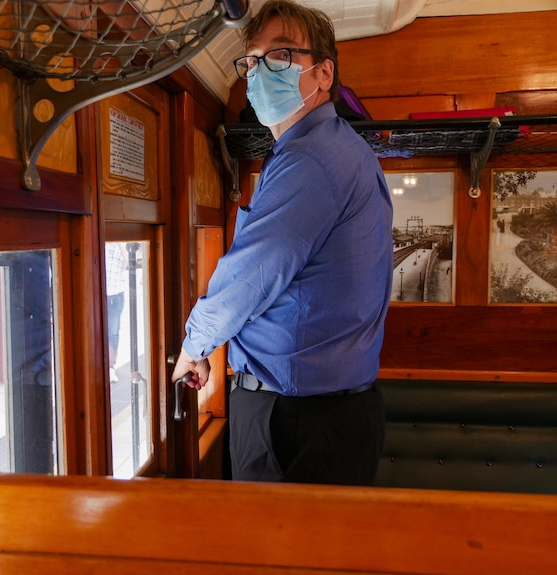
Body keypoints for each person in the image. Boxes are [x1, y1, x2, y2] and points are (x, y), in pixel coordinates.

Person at [170, 0, 393, 486]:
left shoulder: (311, 159)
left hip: (297, 421)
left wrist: (195, 344)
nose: (257, 72)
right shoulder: (331, 150)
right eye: (250, 61)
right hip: (321, 416)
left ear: (323, 73)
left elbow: (255, 270)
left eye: (280, 55)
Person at [105, 242, 128, 383]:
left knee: (112, 333)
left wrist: (121, 243)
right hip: (96, 290)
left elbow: (131, 263)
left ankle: (110, 368)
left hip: (115, 292)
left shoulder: (123, 240)